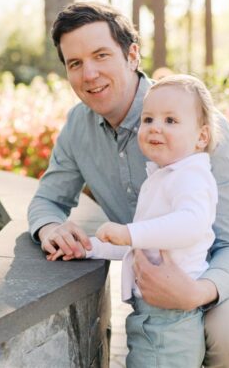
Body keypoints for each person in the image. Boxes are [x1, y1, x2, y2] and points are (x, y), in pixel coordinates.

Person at [28, 2, 229, 367]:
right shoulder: (77, 128)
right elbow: (46, 201)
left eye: (101, 55)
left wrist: (195, 293)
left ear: (132, 54)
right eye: (75, 63)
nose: (90, 74)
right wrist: (50, 227)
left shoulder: (200, 125)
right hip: (161, 282)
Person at [58, 75, 220, 367]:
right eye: (148, 119)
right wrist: (89, 248)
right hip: (152, 315)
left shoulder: (190, 176)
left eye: (171, 120)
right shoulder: (163, 176)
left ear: (201, 137)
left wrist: (129, 233)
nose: (156, 127)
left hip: (171, 320)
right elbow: (140, 246)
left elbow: (191, 224)